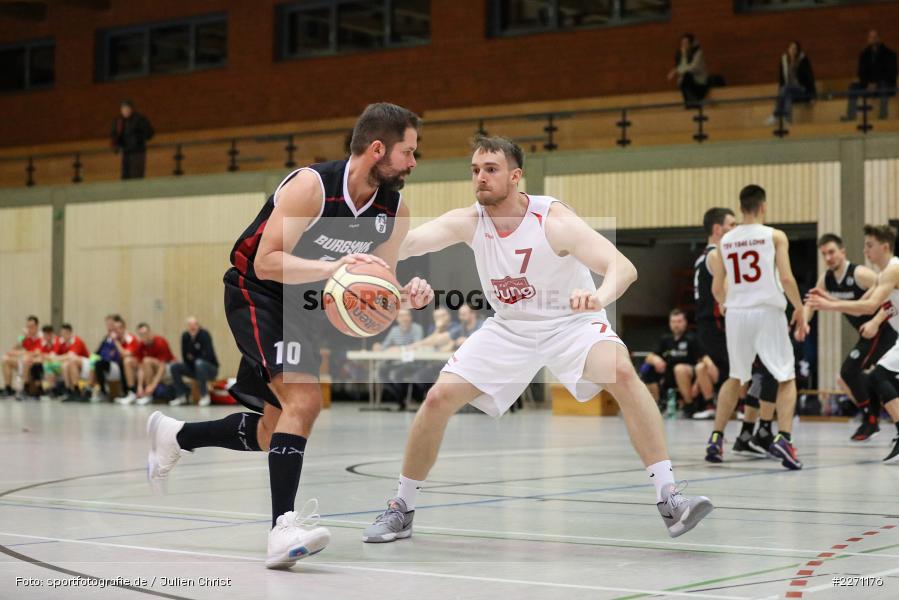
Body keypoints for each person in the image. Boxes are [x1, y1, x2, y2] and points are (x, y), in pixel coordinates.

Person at [363, 135, 713, 545]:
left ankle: (670, 498)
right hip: (510, 327)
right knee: (438, 399)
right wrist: (391, 270)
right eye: (475, 170)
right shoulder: (470, 220)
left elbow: (623, 267)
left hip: (570, 322)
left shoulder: (553, 221)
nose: (480, 178)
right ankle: (401, 508)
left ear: (516, 176)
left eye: (490, 170)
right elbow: (406, 244)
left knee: (620, 370)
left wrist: (597, 297)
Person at [145, 103, 433, 569]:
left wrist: (405, 295)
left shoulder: (394, 209)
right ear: (377, 149)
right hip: (257, 292)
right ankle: (282, 528)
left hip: (303, 305)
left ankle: (176, 436)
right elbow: (265, 261)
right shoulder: (311, 187)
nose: (413, 163)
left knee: (270, 431)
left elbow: (377, 282)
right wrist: (331, 269)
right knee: (305, 402)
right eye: (408, 152)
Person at [705, 185, 807, 470]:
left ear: (741, 207)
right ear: (763, 206)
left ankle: (716, 437)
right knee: (786, 376)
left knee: (736, 376)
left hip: (737, 313)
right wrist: (799, 309)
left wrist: (727, 303)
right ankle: (784, 438)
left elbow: (717, 287)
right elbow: (786, 279)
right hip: (766, 310)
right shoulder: (774, 236)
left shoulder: (725, 242)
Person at [807, 225, 899, 463]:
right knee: (879, 377)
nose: (865, 250)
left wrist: (830, 305)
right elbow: (873, 304)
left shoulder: (889, 271)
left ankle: (874, 420)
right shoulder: (883, 274)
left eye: (869, 245)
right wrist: (830, 300)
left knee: (876, 376)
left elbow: (869, 307)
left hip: (891, 335)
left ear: (884, 246)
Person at [639, 309, 702, 411]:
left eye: (679, 321)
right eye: (673, 322)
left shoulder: (692, 338)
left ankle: (689, 405)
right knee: (646, 368)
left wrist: (698, 384)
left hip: (688, 374)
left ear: (685, 322)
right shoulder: (666, 338)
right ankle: (657, 403)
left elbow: (701, 363)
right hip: (669, 374)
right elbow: (649, 356)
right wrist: (656, 360)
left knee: (679, 369)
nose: (676, 325)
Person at [374, 309, 424, 410]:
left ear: (411, 317)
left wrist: (400, 349)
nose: (404, 318)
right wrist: (379, 347)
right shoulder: (394, 330)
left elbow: (417, 345)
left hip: (411, 362)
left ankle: (402, 401)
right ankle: (401, 398)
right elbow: (385, 346)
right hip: (396, 362)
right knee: (380, 372)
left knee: (395, 374)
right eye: (401, 316)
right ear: (397, 319)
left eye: (407, 315)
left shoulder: (417, 328)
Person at [842, 30, 897, 122]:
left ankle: (883, 115)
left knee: (883, 86)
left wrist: (875, 83)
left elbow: (890, 73)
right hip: (868, 86)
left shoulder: (889, 54)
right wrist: (867, 84)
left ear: (879, 38)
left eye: (875, 37)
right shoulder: (864, 54)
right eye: (871, 37)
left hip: (884, 85)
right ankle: (851, 115)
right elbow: (861, 73)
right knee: (853, 87)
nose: (873, 39)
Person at [169, 317, 219, 407]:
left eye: (195, 325)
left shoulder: (204, 335)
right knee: (174, 366)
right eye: (190, 325)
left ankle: (204, 396)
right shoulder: (185, 336)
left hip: (210, 369)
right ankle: (181, 396)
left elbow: (208, 355)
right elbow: (185, 356)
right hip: (193, 368)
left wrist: (193, 357)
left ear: (198, 325)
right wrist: (195, 357)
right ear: (187, 327)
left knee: (199, 363)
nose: (192, 327)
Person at [766, 41, 816, 125]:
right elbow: (781, 80)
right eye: (791, 48)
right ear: (788, 49)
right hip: (789, 91)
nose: (793, 50)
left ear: (798, 50)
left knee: (785, 89)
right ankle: (788, 119)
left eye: (795, 49)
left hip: (802, 90)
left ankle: (776, 115)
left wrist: (812, 96)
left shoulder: (803, 60)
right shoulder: (784, 61)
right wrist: (780, 96)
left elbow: (810, 77)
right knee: (787, 94)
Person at [132, 323, 175, 406]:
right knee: (144, 362)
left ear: (150, 332)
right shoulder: (141, 345)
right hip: (154, 369)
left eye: (145, 333)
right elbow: (141, 368)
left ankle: (149, 394)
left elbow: (162, 366)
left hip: (168, 368)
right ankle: (145, 394)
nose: (143, 336)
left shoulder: (160, 342)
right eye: (141, 334)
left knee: (147, 360)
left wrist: (153, 386)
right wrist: (139, 386)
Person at [111, 99, 154, 179]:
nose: (125, 111)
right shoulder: (119, 121)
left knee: (136, 176)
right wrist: (116, 145)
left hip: (138, 152)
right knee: (125, 176)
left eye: (127, 108)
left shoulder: (139, 119)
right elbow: (114, 134)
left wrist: (138, 140)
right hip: (126, 153)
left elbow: (149, 132)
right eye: (123, 109)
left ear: (131, 109)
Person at [1, 315, 41, 398]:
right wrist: (22, 338)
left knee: (27, 360)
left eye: (31, 327)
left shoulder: (41, 337)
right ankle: (8, 388)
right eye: (28, 327)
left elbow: (37, 353)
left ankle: (25, 389)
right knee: (5, 359)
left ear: (36, 327)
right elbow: (13, 349)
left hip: (34, 364)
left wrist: (22, 353)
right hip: (23, 360)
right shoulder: (24, 336)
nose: (29, 329)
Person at [667, 33, 708, 108]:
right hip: (687, 84)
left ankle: (693, 103)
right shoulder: (682, 55)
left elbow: (692, 68)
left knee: (687, 76)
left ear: (691, 44)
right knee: (684, 79)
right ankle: (690, 103)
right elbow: (682, 68)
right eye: (682, 43)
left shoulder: (698, 53)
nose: (683, 45)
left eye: (686, 43)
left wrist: (676, 70)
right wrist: (683, 56)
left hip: (699, 83)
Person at [53, 324, 91, 402]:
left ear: (70, 333)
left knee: (71, 362)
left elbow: (70, 356)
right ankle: (69, 390)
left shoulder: (77, 340)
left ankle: (77, 390)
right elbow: (53, 354)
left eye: (65, 333)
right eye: (62, 333)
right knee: (65, 365)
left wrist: (56, 358)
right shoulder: (61, 342)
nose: (63, 336)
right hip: (74, 364)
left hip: (85, 364)